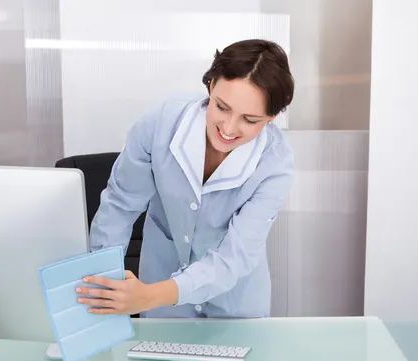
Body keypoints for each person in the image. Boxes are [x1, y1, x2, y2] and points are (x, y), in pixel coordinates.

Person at [76, 39, 295, 318]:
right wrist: (103, 289)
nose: (228, 128)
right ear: (211, 85)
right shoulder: (161, 125)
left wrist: (147, 296)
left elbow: (234, 257)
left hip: (233, 309)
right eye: (222, 107)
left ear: (270, 118)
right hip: (161, 308)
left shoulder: (275, 163)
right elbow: (120, 206)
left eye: (249, 120)